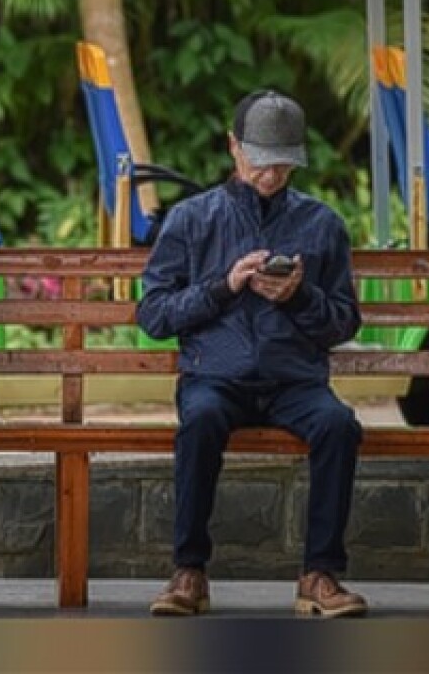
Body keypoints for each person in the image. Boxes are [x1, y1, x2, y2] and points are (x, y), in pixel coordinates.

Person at [136, 89, 368, 618]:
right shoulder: (191, 220)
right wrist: (224, 286)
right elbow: (153, 315)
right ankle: (189, 570)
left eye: (284, 164)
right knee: (200, 421)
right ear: (234, 147)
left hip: (294, 382)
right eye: (262, 161)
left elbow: (343, 320)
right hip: (214, 378)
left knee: (338, 425)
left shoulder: (322, 224)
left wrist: (299, 296)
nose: (271, 175)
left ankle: (319, 575)